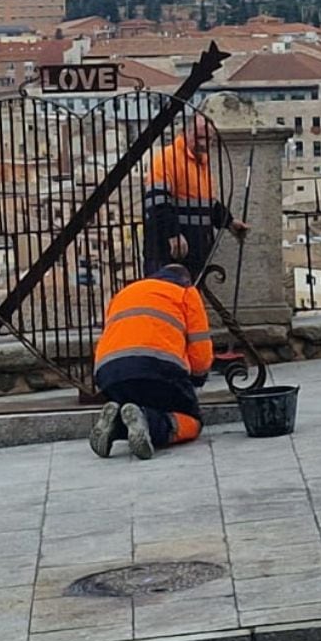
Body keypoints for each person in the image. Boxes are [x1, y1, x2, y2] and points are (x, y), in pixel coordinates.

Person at [88, 264, 213, 459]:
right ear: (186, 279)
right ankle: (148, 422)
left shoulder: (125, 292)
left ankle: (116, 426)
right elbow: (200, 347)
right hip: (159, 368)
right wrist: (197, 377)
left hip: (108, 372)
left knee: (132, 407)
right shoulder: (185, 292)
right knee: (192, 420)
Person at [143, 114, 248, 278]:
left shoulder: (200, 162)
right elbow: (157, 203)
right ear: (185, 133)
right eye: (200, 137)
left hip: (193, 250)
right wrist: (173, 234)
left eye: (209, 139)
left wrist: (229, 222)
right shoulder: (167, 159)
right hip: (168, 251)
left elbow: (206, 203)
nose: (204, 143)